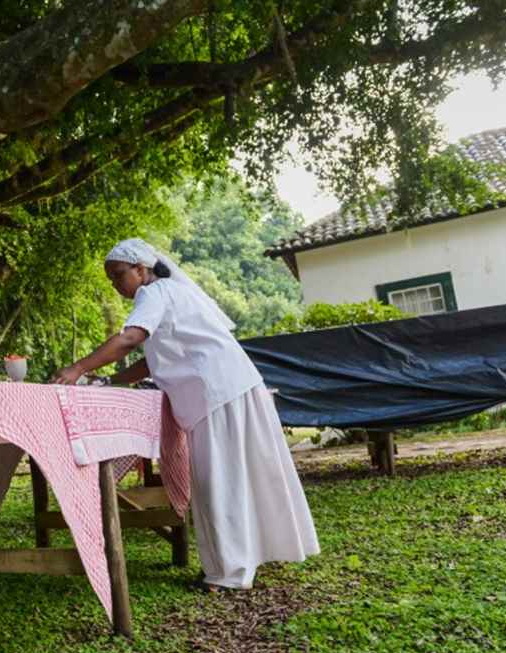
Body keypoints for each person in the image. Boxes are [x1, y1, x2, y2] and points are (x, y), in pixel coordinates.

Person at [50, 238, 319, 591]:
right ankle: (247, 559)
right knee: (245, 475)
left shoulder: (154, 294)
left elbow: (131, 339)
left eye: (118, 275)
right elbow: (154, 358)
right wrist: (112, 380)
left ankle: (230, 574)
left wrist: (78, 368)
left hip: (216, 393)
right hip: (234, 388)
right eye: (111, 279)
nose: (116, 285)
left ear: (141, 270)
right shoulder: (175, 293)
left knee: (218, 481)